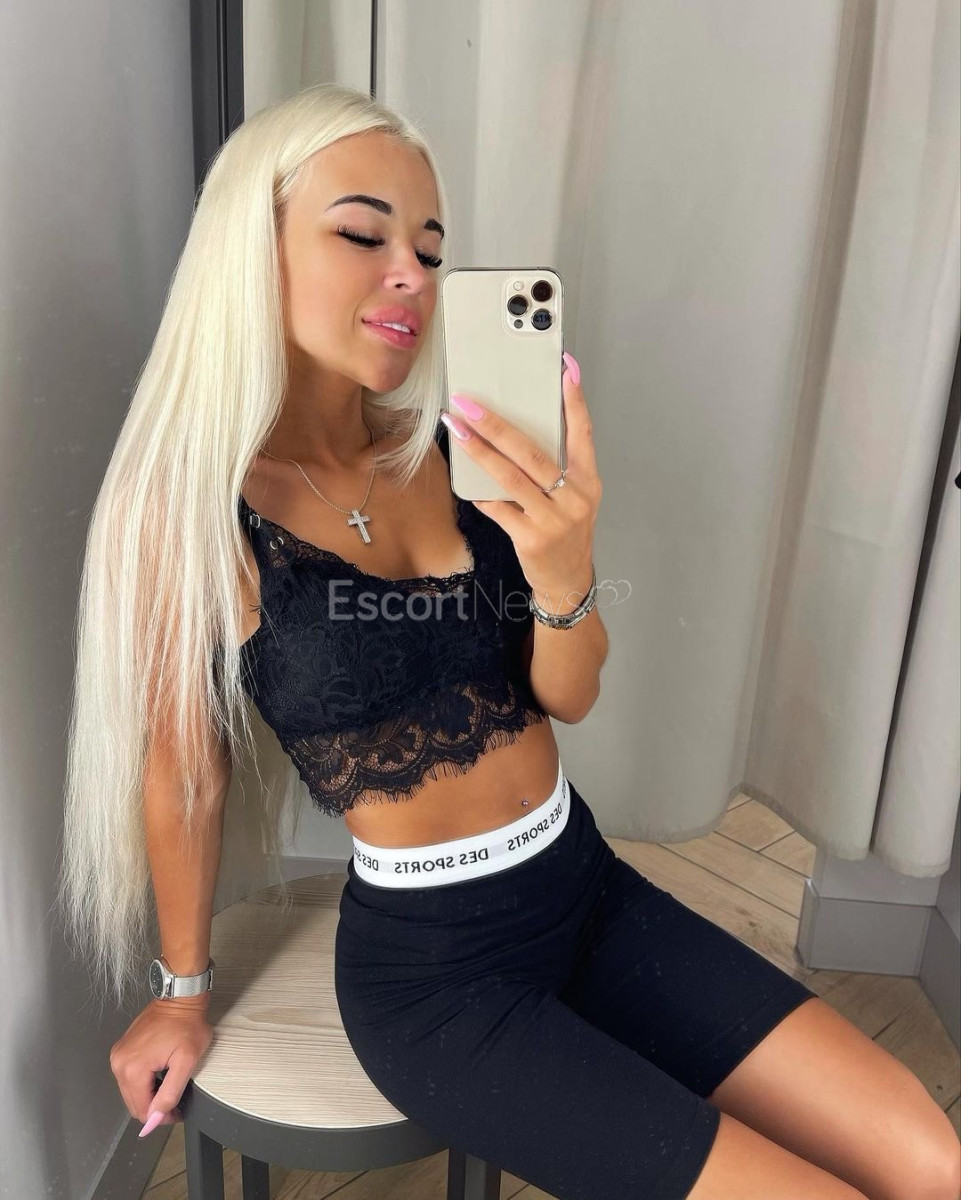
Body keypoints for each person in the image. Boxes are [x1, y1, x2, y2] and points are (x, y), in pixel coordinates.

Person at [57, 83, 960, 1200]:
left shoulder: (454, 451)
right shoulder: (186, 508)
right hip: (437, 982)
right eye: (363, 235)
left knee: (931, 1160)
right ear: (252, 247)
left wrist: (566, 569)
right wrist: (182, 994)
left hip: (585, 888)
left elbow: (565, 695)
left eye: (432, 251)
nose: (412, 274)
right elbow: (183, 772)